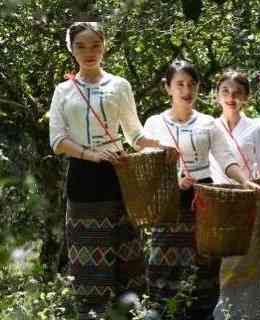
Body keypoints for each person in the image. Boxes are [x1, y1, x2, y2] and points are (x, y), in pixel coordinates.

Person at [48, 21, 163, 319]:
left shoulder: (120, 85)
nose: (89, 52)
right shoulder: (63, 90)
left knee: (128, 256)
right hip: (83, 180)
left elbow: (134, 134)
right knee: (88, 263)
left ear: (104, 46)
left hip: (118, 175)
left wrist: (159, 145)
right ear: (71, 49)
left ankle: (130, 312)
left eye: (95, 45)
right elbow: (57, 140)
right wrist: (91, 154)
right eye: (81, 46)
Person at [142, 60, 260, 320]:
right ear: (168, 88)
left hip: (204, 199)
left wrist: (244, 181)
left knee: (204, 264)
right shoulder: (154, 123)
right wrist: (174, 182)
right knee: (165, 263)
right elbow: (147, 166)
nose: (186, 90)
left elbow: (226, 159)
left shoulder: (208, 123)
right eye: (180, 84)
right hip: (169, 200)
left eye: (191, 84)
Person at [210, 71, 260, 320]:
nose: (231, 97)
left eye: (238, 93)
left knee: (256, 263)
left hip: (252, 200)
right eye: (225, 91)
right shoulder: (210, 127)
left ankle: (258, 314)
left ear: (247, 98)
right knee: (228, 266)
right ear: (217, 95)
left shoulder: (257, 128)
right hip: (219, 203)